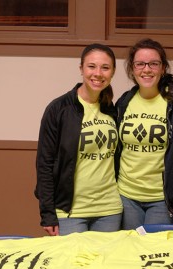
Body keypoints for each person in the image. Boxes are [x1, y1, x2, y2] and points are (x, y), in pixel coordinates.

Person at [115, 38, 173, 230]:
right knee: (128, 254)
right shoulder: (124, 102)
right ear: (132, 69)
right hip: (125, 197)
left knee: (153, 255)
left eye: (153, 63)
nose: (146, 69)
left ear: (163, 68)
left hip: (162, 200)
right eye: (140, 64)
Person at [35, 43, 122, 236]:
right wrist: (47, 213)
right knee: (73, 265)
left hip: (110, 210)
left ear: (112, 72)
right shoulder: (59, 109)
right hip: (71, 212)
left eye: (105, 68)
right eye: (91, 66)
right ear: (81, 68)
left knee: (105, 265)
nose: (98, 73)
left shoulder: (112, 110)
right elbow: (45, 164)